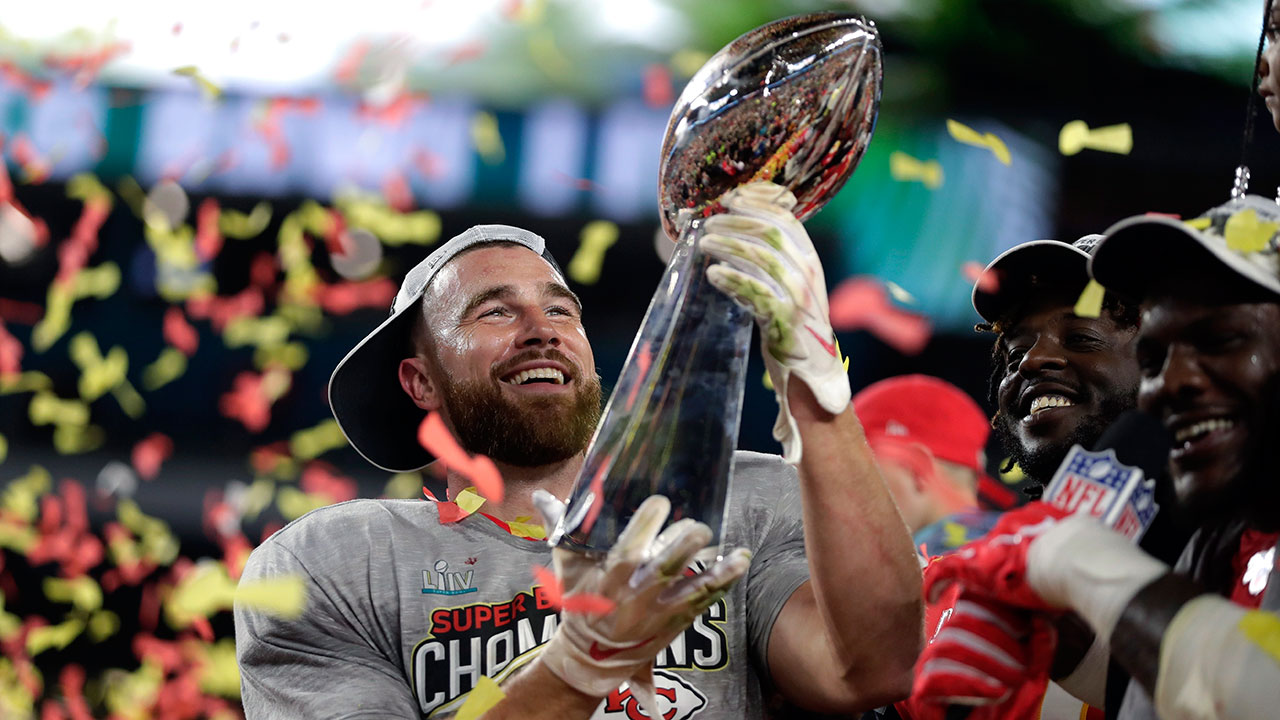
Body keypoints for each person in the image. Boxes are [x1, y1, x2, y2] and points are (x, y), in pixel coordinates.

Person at [234, 182, 924, 719]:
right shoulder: (333, 566)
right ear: (419, 382)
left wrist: (813, 382)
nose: (543, 330)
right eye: (495, 311)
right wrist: (581, 662)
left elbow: (871, 667)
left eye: (561, 309)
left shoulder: (738, 500)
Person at [916, 194, 1280, 720]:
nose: (1175, 380)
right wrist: (1073, 648)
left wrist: (1084, 567)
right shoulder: (1218, 546)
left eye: (1219, 340)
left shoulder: (1182, 534)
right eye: (1158, 358)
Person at [852, 374, 996, 556]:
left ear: (916, 470)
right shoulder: (1027, 539)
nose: (849, 499)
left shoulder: (923, 560)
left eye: (860, 477)